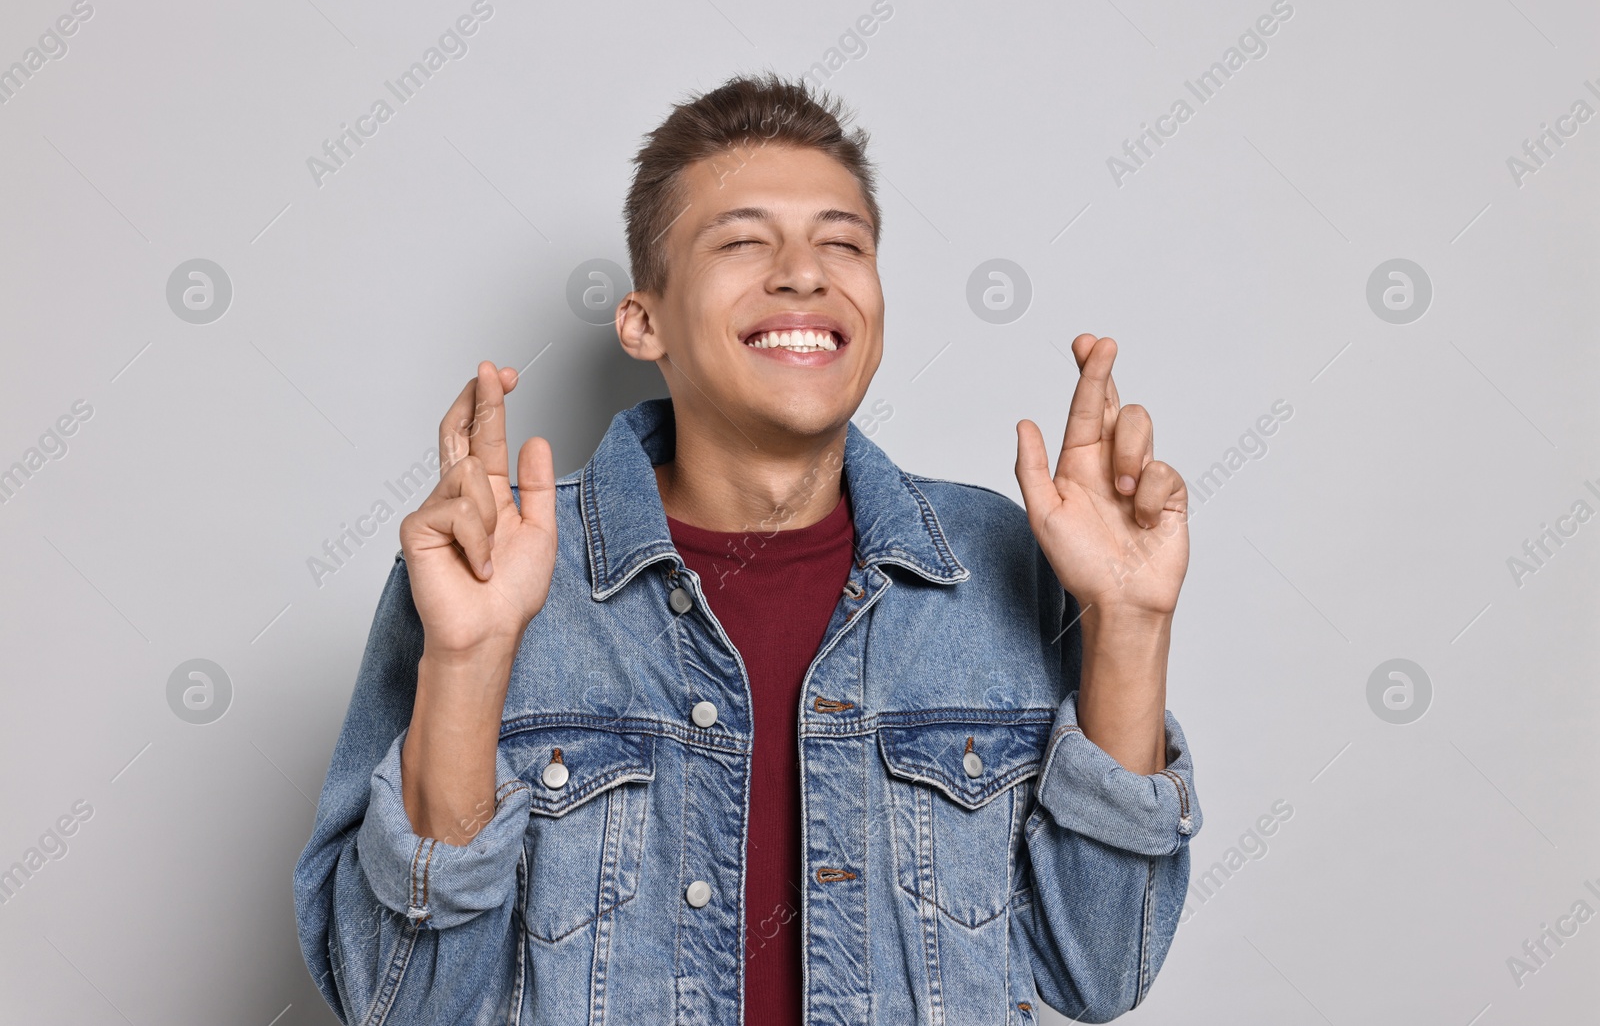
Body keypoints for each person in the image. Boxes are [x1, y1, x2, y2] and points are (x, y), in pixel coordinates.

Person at [294, 71, 1201, 1025]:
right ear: (644, 321)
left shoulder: (1001, 563)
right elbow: (403, 1007)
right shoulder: (488, 575)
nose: (805, 271)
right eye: (743, 241)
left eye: (842, 242)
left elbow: (1101, 969)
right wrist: (473, 661)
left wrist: (1131, 623)